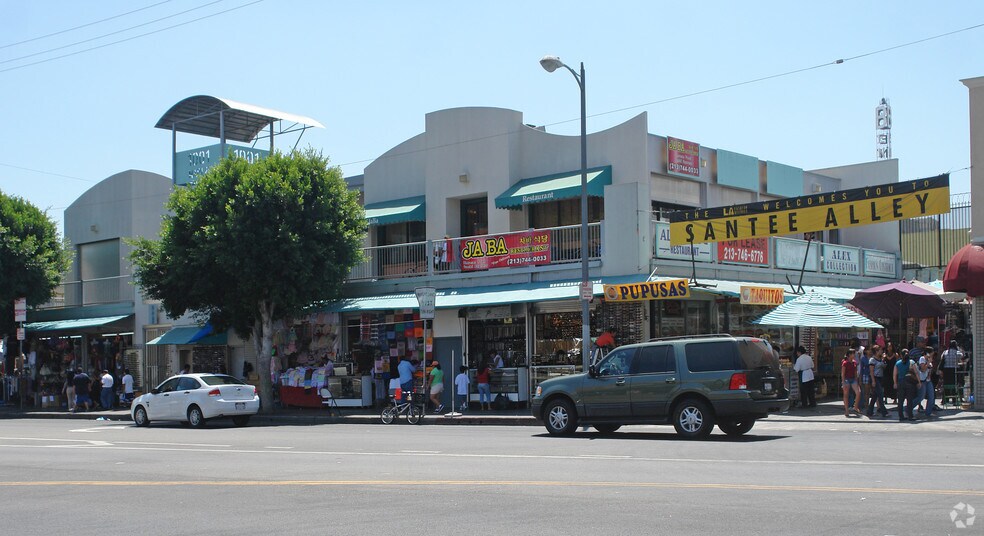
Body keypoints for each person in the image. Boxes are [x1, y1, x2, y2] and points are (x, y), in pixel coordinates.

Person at [866, 345, 890, 418]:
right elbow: (871, 371)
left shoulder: (880, 359)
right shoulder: (872, 360)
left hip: (880, 378)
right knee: (880, 394)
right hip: (875, 378)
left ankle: (869, 411)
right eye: (880, 350)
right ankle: (884, 412)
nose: (881, 351)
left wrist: (883, 359)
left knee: (874, 396)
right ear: (876, 351)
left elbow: (884, 366)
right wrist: (873, 381)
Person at [893, 350, 917, 422]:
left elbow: (894, 374)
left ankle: (901, 416)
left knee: (900, 401)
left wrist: (895, 383)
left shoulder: (898, 363)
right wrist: (918, 382)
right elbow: (916, 372)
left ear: (901, 355)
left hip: (900, 382)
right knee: (909, 400)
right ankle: (910, 416)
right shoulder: (911, 362)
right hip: (909, 382)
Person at [842, 348, 861, 417]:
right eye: (853, 354)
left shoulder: (854, 362)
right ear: (850, 355)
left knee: (858, 392)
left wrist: (856, 380)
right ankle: (846, 410)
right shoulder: (845, 362)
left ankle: (855, 406)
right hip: (846, 379)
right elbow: (843, 373)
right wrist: (843, 382)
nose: (854, 355)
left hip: (853, 379)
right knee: (846, 394)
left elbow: (855, 372)